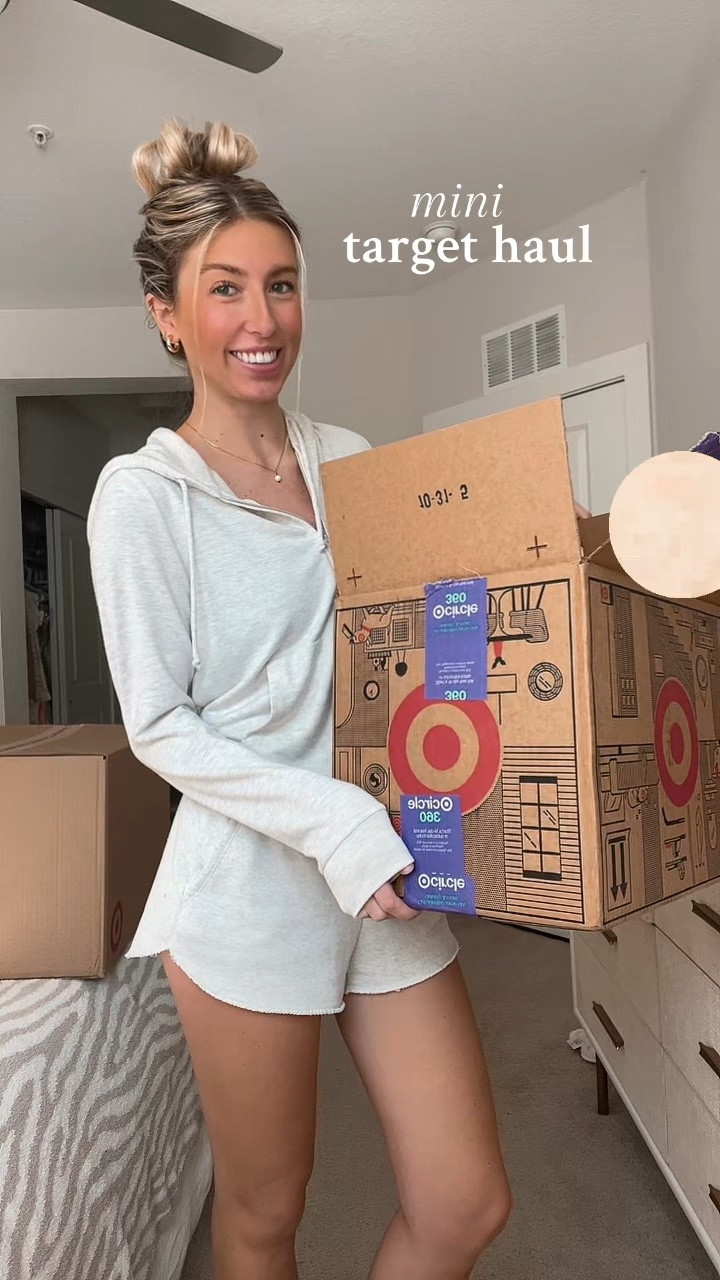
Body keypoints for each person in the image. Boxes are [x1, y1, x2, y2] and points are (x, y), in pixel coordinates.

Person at [87, 118, 512, 1280]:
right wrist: (336, 822)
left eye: (281, 284)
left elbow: (417, 644)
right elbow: (158, 724)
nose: (262, 318)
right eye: (224, 288)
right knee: (266, 1213)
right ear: (168, 314)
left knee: (465, 1199)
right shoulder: (144, 497)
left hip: (384, 870)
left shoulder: (353, 457)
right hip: (249, 885)